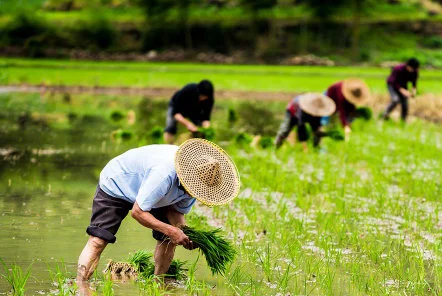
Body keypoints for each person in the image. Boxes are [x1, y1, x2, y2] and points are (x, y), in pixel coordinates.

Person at [76, 139, 240, 290]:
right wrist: (171, 230)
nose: (195, 193)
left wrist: (185, 233)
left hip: (155, 195)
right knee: (98, 240)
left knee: (169, 240)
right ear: (186, 177)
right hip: (118, 184)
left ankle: (158, 285)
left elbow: (175, 213)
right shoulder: (164, 174)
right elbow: (138, 212)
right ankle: (80, 287)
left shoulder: (194, 188)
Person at [382, 58, 420, 122]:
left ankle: (403, 121)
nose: (412, 70)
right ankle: (385, 114)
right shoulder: (398, 69)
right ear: (408, 66)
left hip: (403, 85)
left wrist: (414, 90)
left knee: (405, 103)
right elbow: (394, 82)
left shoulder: (415, 71)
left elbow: (414, 82)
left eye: (414, 69)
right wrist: (402, 90)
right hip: (392, 85)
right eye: (411, 69)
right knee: (395, 100)